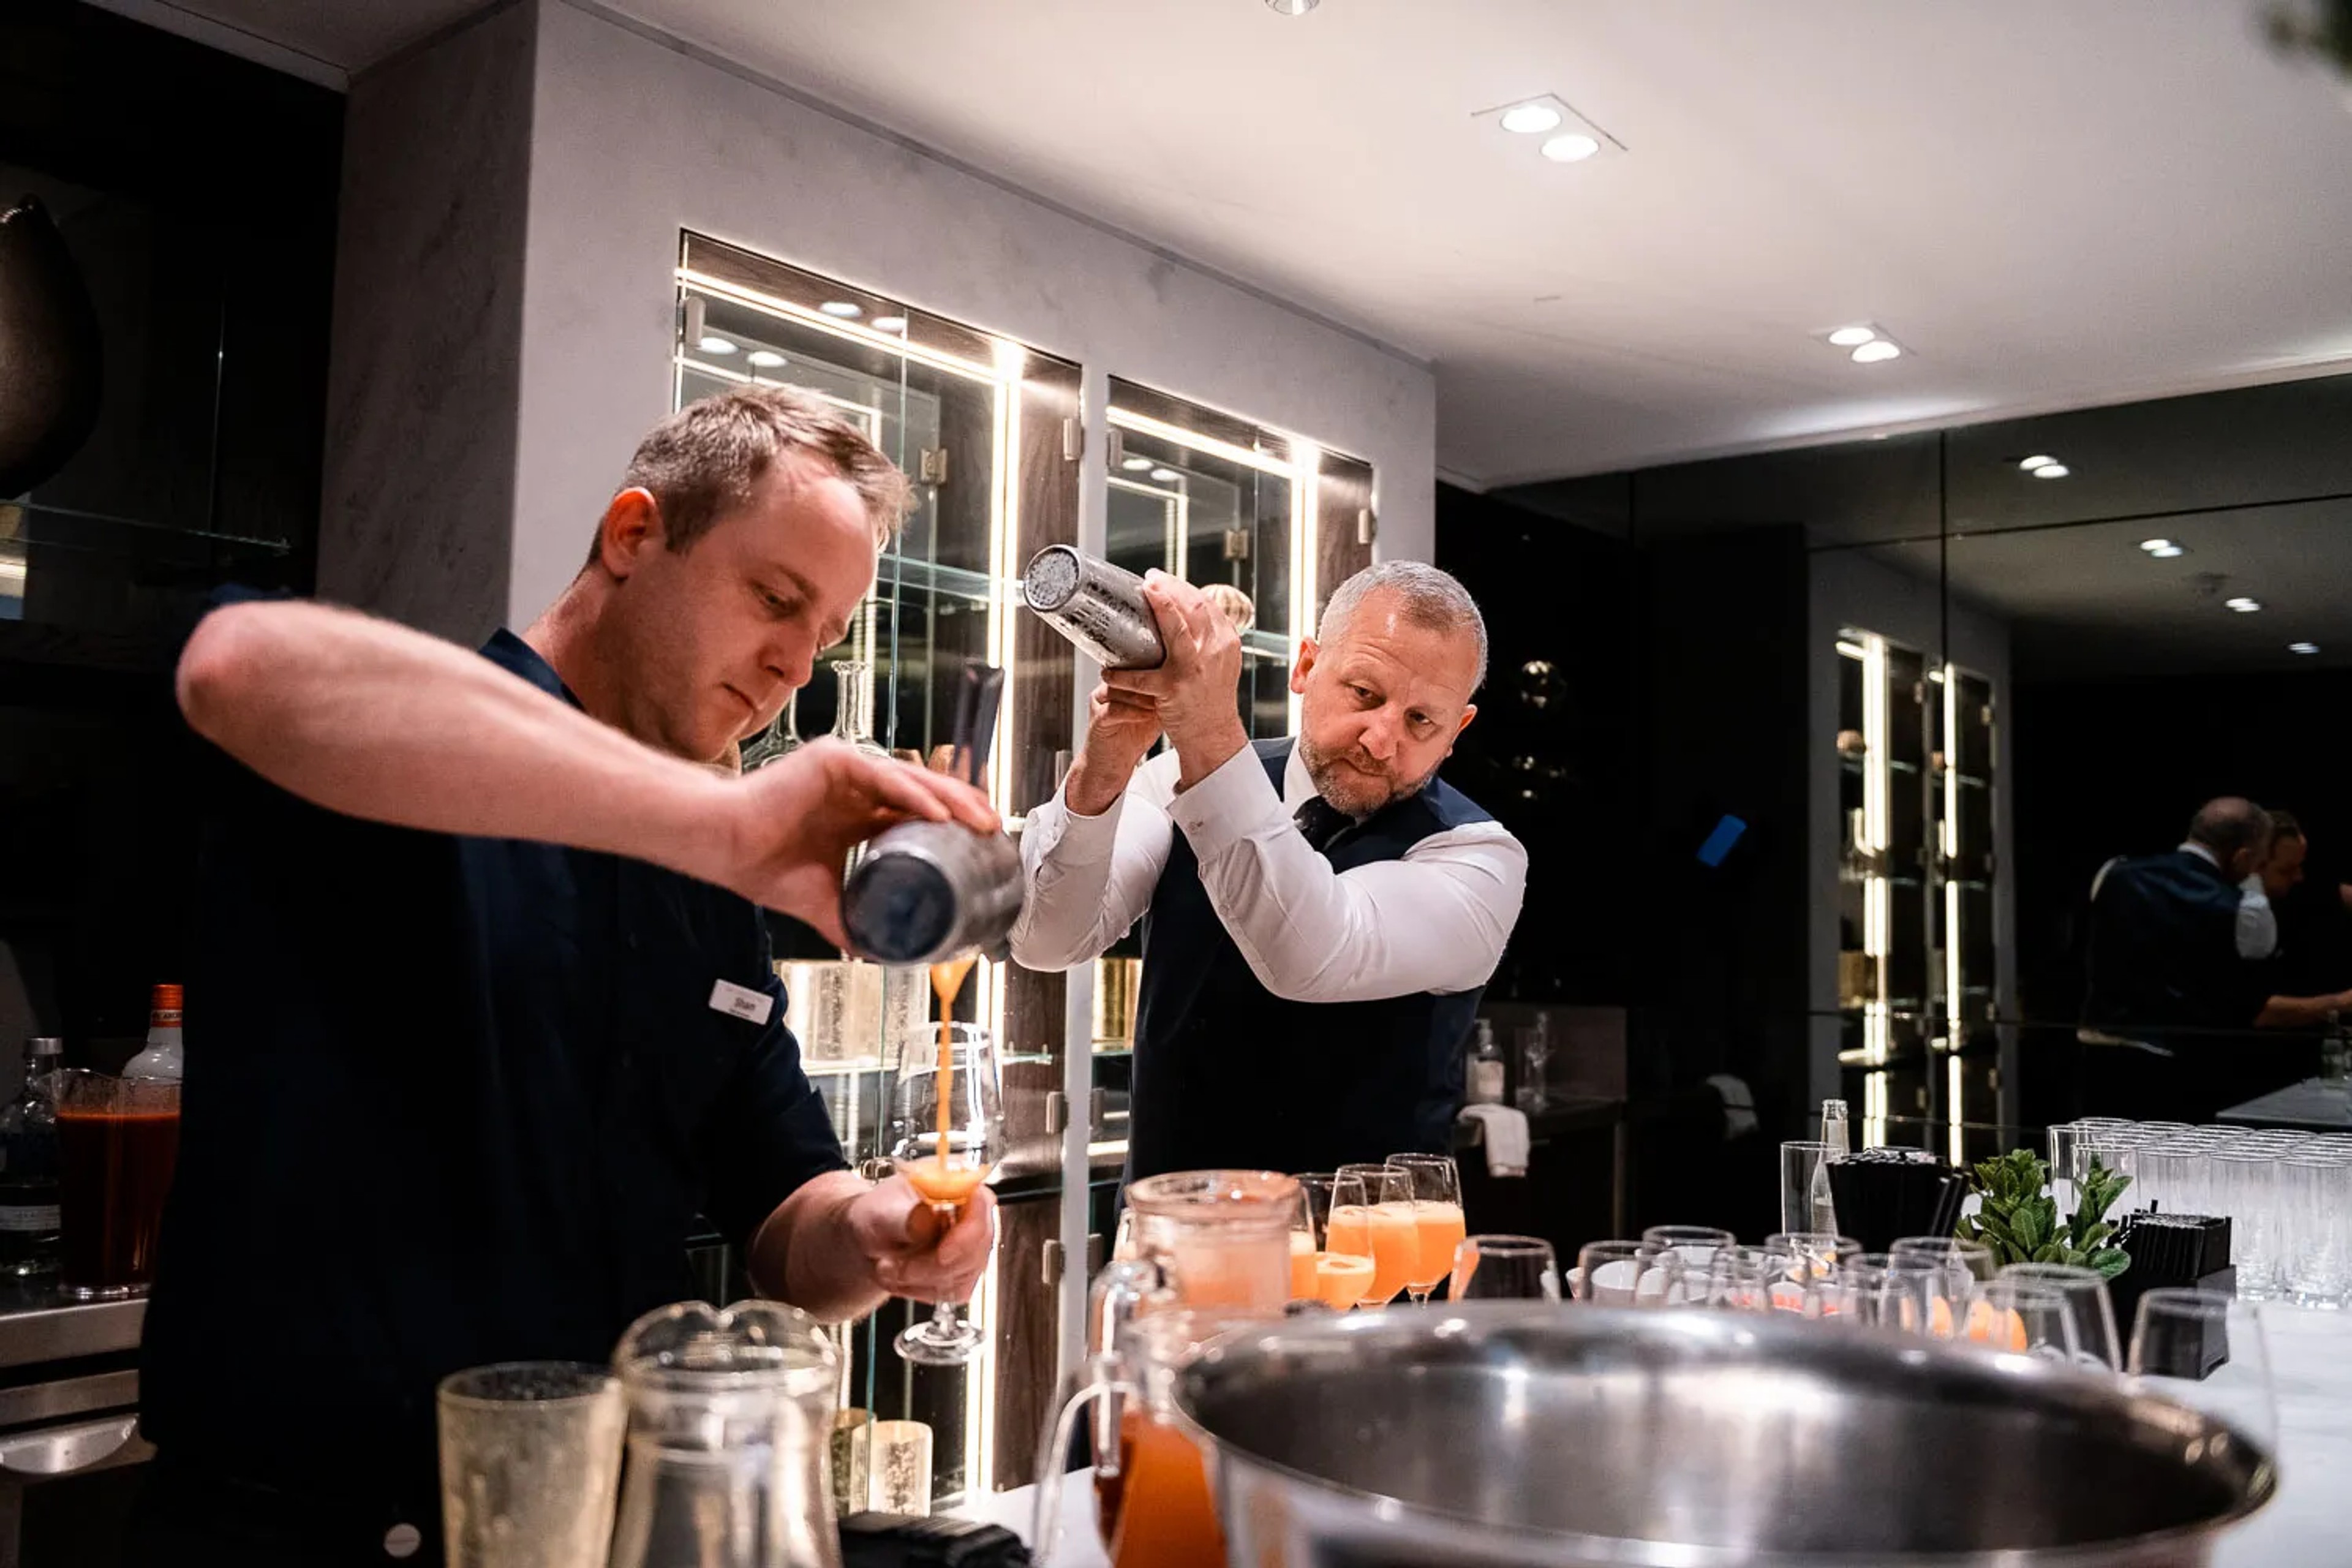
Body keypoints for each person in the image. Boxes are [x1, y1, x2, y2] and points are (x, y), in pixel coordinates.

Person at [132, 387, 1002, 1566]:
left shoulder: (708, 891)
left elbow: (783, 1217)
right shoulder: (421, 755)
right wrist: (720, 820)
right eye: (775, 599)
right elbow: (234, 665)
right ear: (634, 533)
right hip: (305, 1529)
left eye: (825, 637)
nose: (796, 666)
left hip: (586, 1524)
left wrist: (876, 1228)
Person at [1010, 560, 1526, 1178]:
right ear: (1306, 667)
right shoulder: (1171, 780)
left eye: (1421, 720)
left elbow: (1314, 952)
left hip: (1366, 1237)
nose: (1381, 740)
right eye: (1365, 694)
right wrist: (1106, 761)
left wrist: (1207, 729)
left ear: (1457, 729)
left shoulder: (1476, 855)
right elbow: (1047, 941)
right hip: (1170, 1224)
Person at [2081, 797, 2352, 1121]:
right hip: (2174, 1070)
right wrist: (2341, 1002)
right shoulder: (2243, 911)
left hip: (2099, 1056)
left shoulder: (2115, 872)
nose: (2298, 878)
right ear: (2246, 858)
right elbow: (2251, 1007)